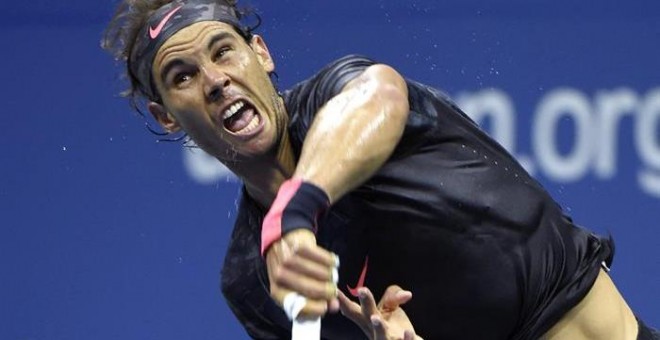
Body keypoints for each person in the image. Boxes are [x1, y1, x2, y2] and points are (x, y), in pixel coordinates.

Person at [102, 0, 659, 339]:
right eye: (182, 76)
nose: (216, 80)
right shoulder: (252, 282)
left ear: (261, 53)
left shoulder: (340, 94)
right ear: (166, 118)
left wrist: (293, 217)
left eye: (224, 51)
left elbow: (379, 97)